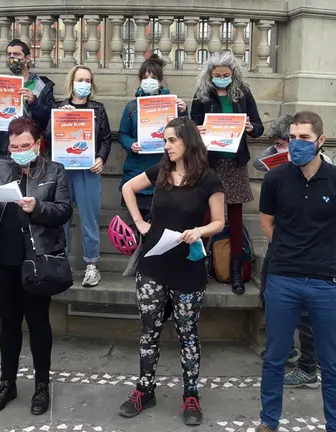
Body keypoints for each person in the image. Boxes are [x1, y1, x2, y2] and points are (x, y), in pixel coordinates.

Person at [118, 117, 225, 426]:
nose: (166, 146)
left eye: (172, 140)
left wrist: (201, 230)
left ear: (189, 142)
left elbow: (219, 222)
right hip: (153, 264)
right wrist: (139, 222)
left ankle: (191, 395)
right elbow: (127, 187)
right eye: (165, 140)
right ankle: (144, 390)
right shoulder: (161, 171)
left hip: (188, 267)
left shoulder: (209, 179)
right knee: (148, 331)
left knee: (188, 333)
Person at [257, 111, 336, 432]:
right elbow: (266, 223)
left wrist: (317, 252)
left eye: (304, 138)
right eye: (293, 138)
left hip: (326, 281)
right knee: (274, 358)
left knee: (331, 363)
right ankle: (268, 422)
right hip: (283, 278)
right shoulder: (275, 179)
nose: (296, 144)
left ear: (320, 141)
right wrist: (290, 249)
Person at [0, 116, 72, 415]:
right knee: (9, 323)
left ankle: (42, 385)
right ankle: (8, 383)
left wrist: (38, 207)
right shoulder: (0, 168)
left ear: (38, 143)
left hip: (37, 259)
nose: (18, 151)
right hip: (4, 257)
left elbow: (64, 211)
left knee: (38, 323)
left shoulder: (55, 170)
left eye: (25, 145)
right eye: (14, 146)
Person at [0, 38, 55, 277]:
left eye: (17, 54)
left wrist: (35, 102)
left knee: (29, 198)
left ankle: (31, 251)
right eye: (9, 54)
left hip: (30, 151)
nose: (13, 58)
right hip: (3, 149)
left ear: (28, 57)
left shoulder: (42, 85)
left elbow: (47, 119)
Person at [191, 50, 264, 295]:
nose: (222, 78)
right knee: (204, 217)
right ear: (210, 74)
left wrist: (251, 127)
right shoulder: (202, 94)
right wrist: (198, 130)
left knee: (235, 218)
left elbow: (259, 128)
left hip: (235, 163)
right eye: (217, 74)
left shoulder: (242, 93)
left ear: (233, 73)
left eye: (226, 74)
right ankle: (197, 268)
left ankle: (236, 271)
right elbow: (192, 125)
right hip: (210, 163)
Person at [118, 55, 188, 276]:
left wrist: (183, 111)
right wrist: (132, 144)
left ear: (160, 80)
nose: (149, 80)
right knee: (138, 226)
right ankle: (141, 266)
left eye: (153, 77)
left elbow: (186, 133)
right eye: (145, 76)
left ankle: (159, 266)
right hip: (137, 170)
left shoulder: (172, 105)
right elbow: (122, 134)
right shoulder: (131, 107)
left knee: (163, 224)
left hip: (163, 171)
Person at [47, 65, 111, 287]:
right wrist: (58, 119)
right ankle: (60, 262)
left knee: (89, 219)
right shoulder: (58, 107)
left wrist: (101, 158)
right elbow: (46, 137)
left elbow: (105, 139)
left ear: (91, 85)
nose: (83, 84)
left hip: (88, 171)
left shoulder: (98, 109)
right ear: (71, 82)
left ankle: (92, 266)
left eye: (87, 80)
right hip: (62, 172)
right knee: (61, 218)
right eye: (79, 79)